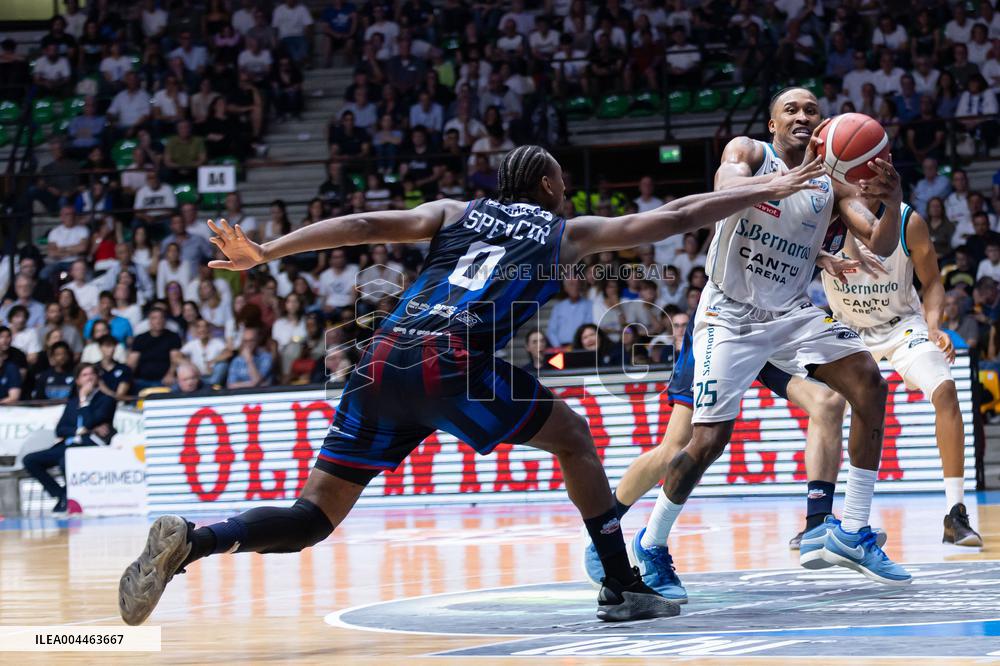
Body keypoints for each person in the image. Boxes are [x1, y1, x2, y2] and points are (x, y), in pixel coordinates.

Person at [117, 143, 825, 626]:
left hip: (379, 359)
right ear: (547, 186)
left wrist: (267, 250)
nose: (564, 190)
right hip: (448, 361)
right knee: (575, 438)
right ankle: (620, 584)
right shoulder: (562, 231)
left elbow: (362, 223)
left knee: (313, 517)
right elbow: (668, 218)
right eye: (560, 181)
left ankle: (196, 541)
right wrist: (765, 187)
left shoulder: (452, 213)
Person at [606, 89, 912, 597]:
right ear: (772, 124)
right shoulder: (749, 151)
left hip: (790, 314)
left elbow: (878, 241)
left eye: (811, 110)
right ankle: (651, 542)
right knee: (705, 441)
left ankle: (852, 530)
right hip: (729, 315)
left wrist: (893, 198)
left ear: (822, 127)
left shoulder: (832, 183)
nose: (802, 115)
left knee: (868, 383)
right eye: (791, 109)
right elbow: (725, 187)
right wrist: (777, 183)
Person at [816, 201, 982, 546]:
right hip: (848, 329)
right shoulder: (822, 214)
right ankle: (817, 518)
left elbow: (932, 281)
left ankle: (955, 514)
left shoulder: (908, 221)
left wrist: (933, 326)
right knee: (826, 406)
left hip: (902, 327)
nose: (862, 182)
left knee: (946, 390)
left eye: (870, 175)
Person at [22, 363, 117, 512]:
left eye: (92, 374)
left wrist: (84, 400)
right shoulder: (72, 403)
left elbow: (89, 421)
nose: (89, 378)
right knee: (30, 460)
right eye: (84, 375)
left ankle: (68, 500)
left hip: (90, 446)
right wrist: (80, 430)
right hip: (68, 445)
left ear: (97, 378)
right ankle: (61, 495)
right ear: (78, 381)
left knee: (65, 461)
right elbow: (60, 430)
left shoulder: (106, 400)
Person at [128, 308, 182, 389]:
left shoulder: (173, 337)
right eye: (154, 318)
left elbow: (175, 359)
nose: (158, 321)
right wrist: (127, 378)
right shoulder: (140, 339)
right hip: (141, 380)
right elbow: (132, 362)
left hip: (165, 380)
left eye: (161, 318)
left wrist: (170, 374)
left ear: (165, 320)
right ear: (149, 321)